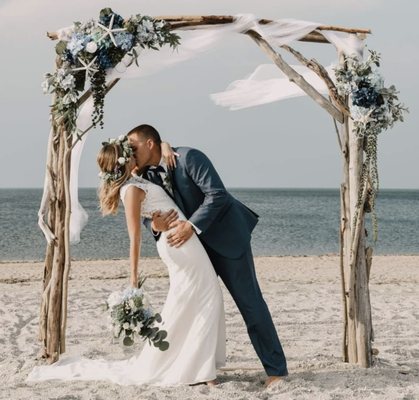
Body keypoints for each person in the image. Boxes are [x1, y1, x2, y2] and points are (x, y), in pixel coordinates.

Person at [27, 136, 226, 386]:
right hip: (179, 243)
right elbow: (134, 237)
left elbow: (156, 146)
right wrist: (133, 278)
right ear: (123, 161)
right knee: (204, 295)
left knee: (194, 298)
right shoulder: (130, 190)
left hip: (182, 240)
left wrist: (164, 146)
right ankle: (201, 370)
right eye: (130, 151)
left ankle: (198, 365)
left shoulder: (134, 177)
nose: (135, 152)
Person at [127, 124, 288, 386]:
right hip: (193, 252)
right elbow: (147, 213)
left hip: (226, 240)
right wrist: (154, 226)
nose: (130, 152)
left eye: (133, 146)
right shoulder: (145, 177)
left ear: (149, 144)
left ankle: (276, 371)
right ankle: (199, 369)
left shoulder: (190, 157)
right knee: (198, 306)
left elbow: (218, 195)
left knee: (250, 304)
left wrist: (190, 225)